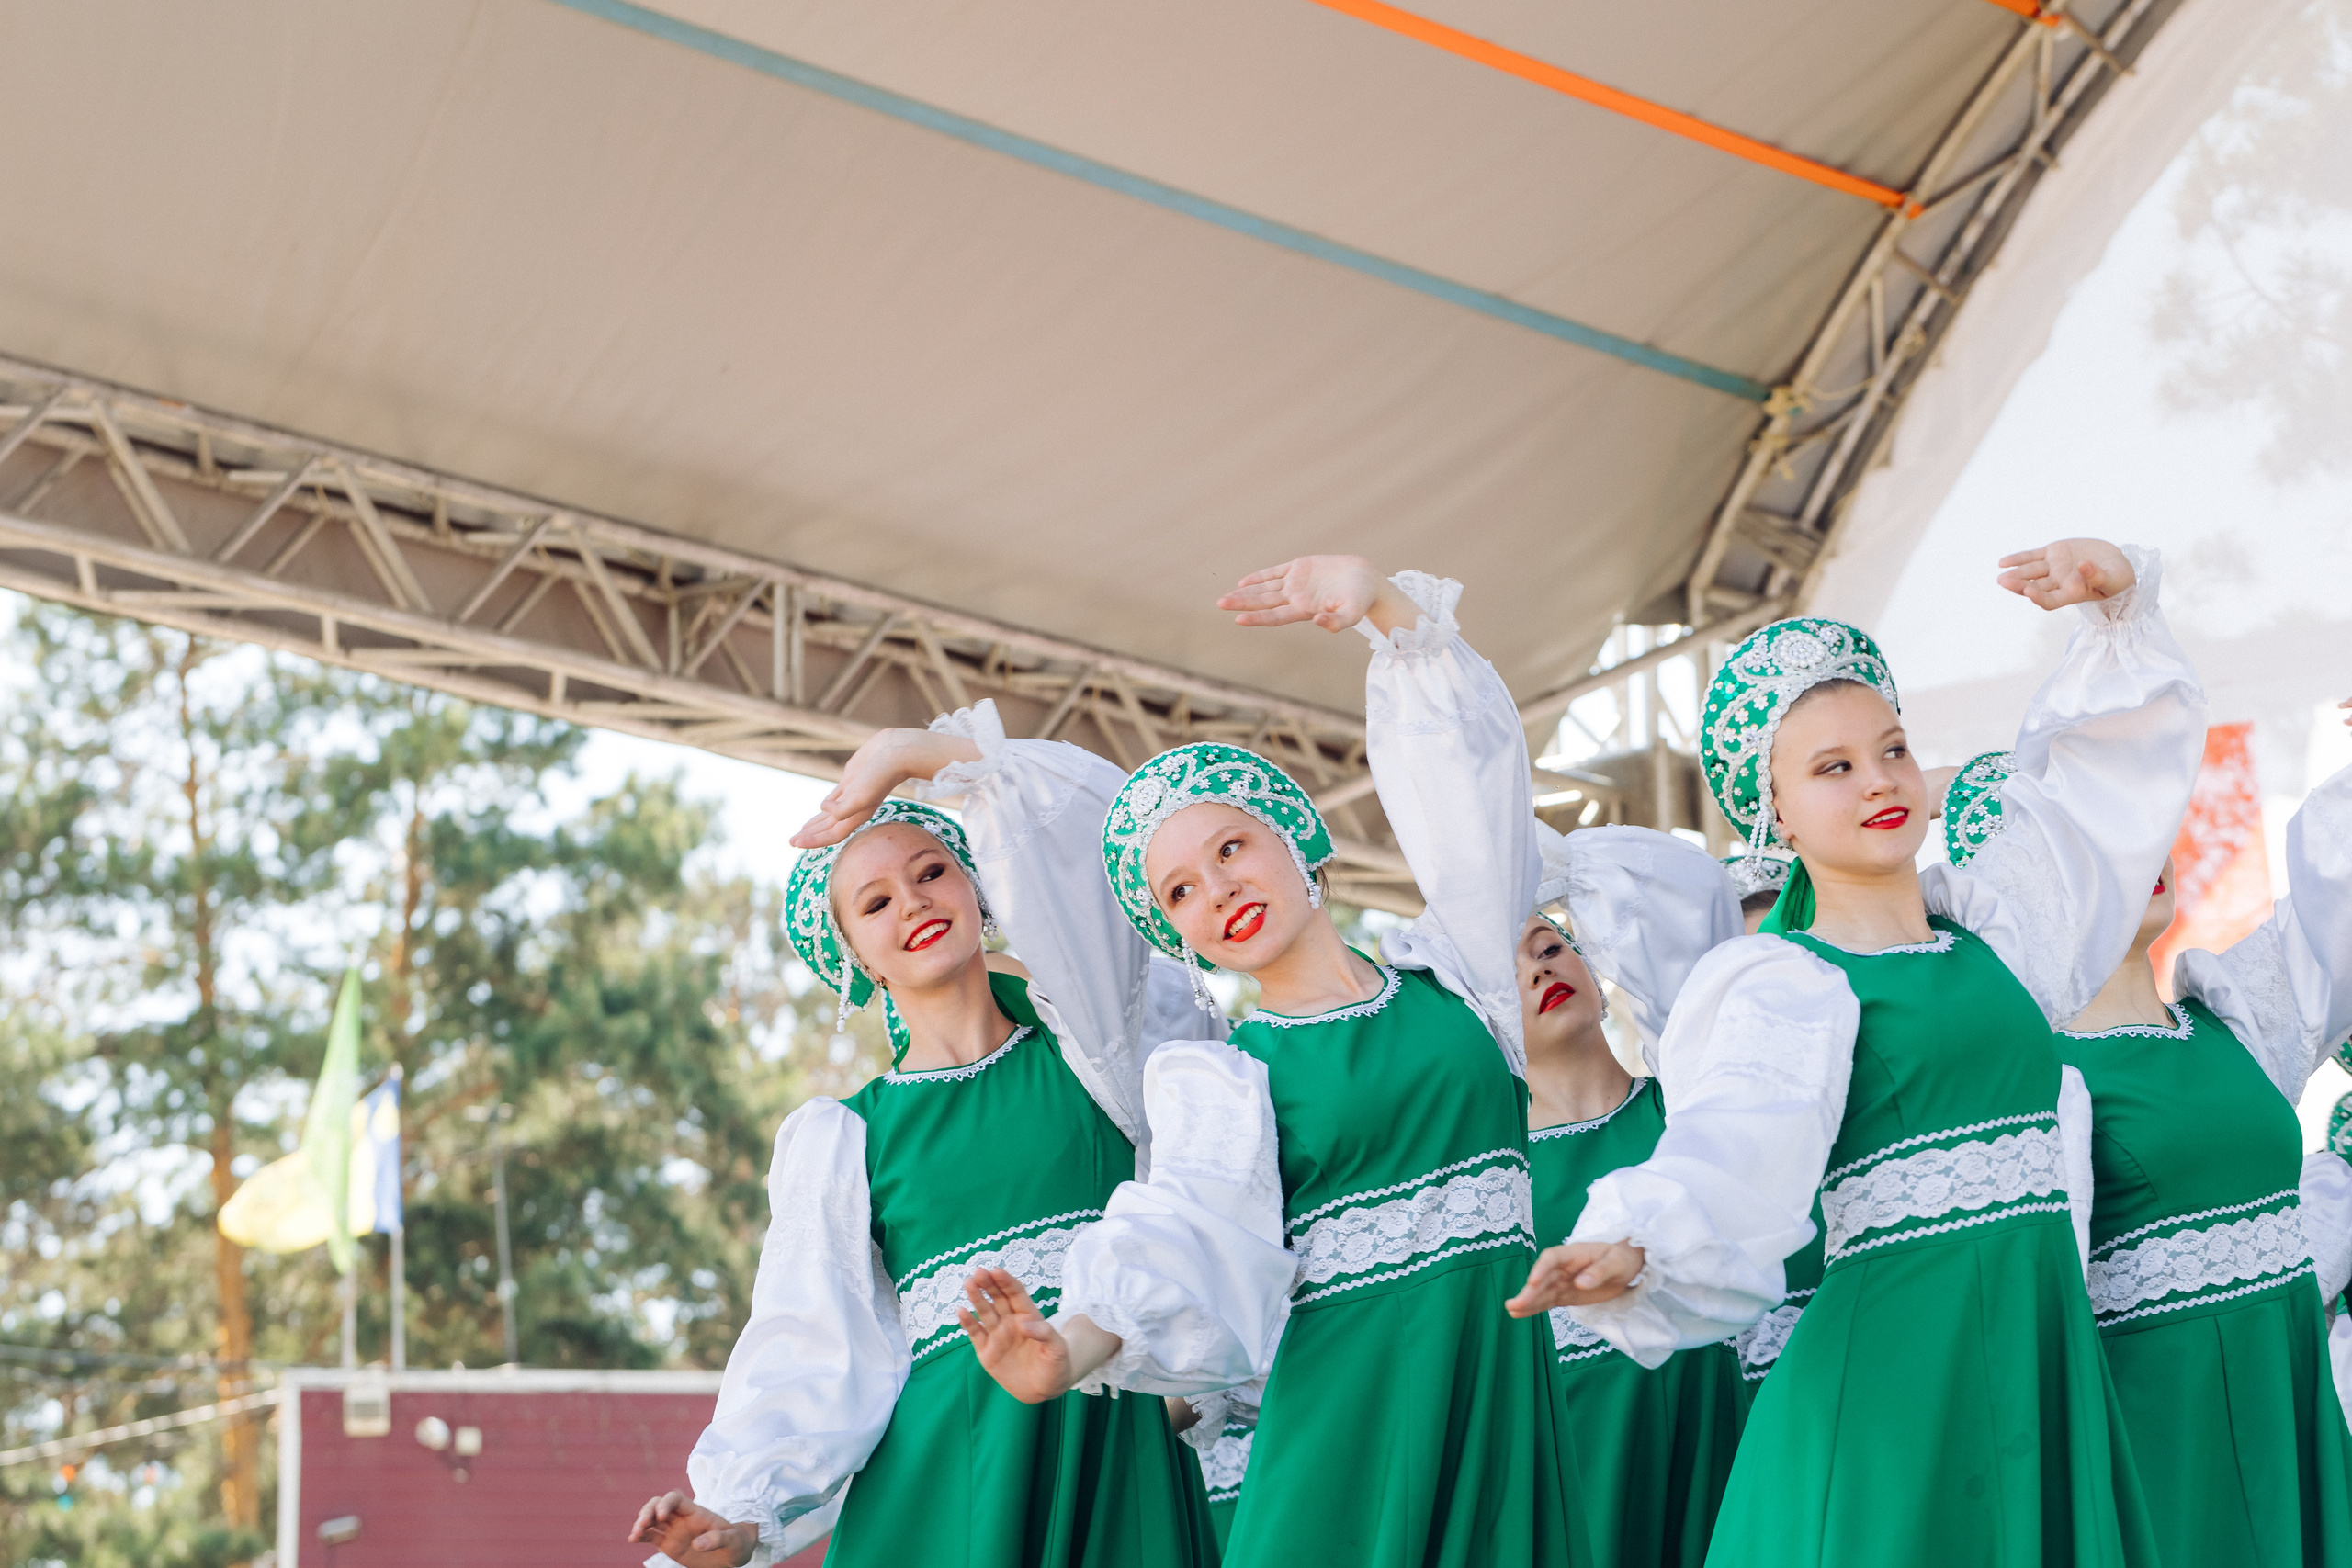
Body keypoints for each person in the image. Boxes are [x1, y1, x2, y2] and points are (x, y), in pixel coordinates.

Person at [956, 558, 1733, 1568]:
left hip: (1497, 1407)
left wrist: (1386, 610)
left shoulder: (1462, 976)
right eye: (1180, 891)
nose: (1216, 889)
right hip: (1345, 1436)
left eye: (1230, 849)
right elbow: (1182, 1230)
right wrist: (1068, 1348)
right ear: (1177, 934)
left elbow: (1468, 798)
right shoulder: (1225, 1081)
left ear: (1296, 840)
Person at [1511, 538, 2204, 1565]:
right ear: (1777, 816)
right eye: (1832, 768)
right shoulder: (1783, 981)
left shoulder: (1999, 930)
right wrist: (1639, 1241)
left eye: (1892, 750)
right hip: (1893, 1393)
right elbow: (1730, 1139)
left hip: (2032, 1357)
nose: (1879, 780)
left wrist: (2113, 619)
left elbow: (2105, 807)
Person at [628, 744, 1225, 1568]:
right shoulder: (847, 1136)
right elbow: (813, 1346)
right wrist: (743, 1516)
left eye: (932, 872)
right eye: (876, 901)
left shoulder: (1098, 1050)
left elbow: (1096, 831)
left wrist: (925, 755)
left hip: (1112, 1440)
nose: (913, 902)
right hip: (946, 1476)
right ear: (856, 959)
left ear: (979, 887)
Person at [1940, 710, 2352, 1563]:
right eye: (2094, 842)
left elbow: (2336, 892)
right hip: (2160, 1454)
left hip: (2291, 1419)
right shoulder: (2034, 1083)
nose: (2139, 849)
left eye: (2137, 825)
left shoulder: (2236, 1015)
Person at [1517, 911, 1745, 1566]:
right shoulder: (1496, 1175)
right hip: (1582, 1460)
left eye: (1550, 947)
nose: (1539, 971)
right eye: (1509, 975)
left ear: (1593, 965)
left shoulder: (1689, 1112)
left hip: (1721, 1427)